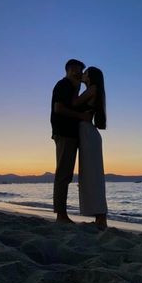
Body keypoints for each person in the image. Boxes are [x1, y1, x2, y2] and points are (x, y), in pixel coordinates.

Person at [51, 59, 91, 223]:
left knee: (66, 173)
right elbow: (58, 108)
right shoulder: (64, 85)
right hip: (64, 133)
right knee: (63, 174)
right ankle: (61, 215)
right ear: (68, 70)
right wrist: (81, 116)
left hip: (70, 134)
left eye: (80, 70)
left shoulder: (73, 90)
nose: (79, 73)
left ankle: (62, 214)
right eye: (75, 69)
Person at [72, 66, 108, 229]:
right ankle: (99, 217)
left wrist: (75, 82)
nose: (82, 75)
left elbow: (74, 103)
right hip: (87, 133)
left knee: (92, 175)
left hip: (87, 132)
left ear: (91, 77)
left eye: (85, 73)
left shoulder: (92, 88)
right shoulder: (95, 89)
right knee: (91, 175)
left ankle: (101, 217)